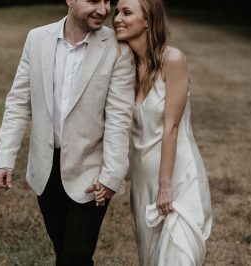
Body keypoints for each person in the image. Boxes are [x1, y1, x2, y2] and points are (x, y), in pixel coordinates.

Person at [0, 0, 135, 265]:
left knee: (76, 257)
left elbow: (119, 119)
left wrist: (111, 175)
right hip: (45, 169)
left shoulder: (118, 48)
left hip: (91, 174)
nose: (103, 10)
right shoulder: (36, 39)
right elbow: (18, 102)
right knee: (63, 252)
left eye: (106, 1)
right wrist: (4, 157)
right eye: (94, 0)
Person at [95, 0, 213, 265]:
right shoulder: (123, 65)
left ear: (148, 20)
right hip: (142, 181)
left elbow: (170, 127)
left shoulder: (172, 60)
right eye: (116, 13)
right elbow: (114, 126)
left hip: (177, 180)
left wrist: (165, 187)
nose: (117, 19)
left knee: (176, 257)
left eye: (127, 12)